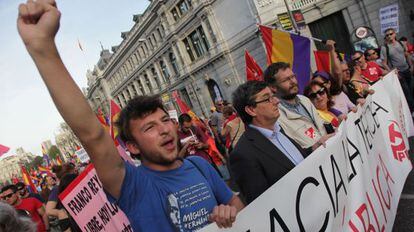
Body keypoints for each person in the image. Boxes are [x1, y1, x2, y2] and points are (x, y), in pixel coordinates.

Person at [17, 2, 243, 231]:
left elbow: (235, 202)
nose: (165, 129)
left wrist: (230, 212)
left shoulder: (198, 166)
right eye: (149, 128)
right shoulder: (133, 186)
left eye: (165, 120)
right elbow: (93, 135)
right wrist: (43, 48)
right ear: (132, 147)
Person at [230, 81, 310, 204]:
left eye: (273, 96)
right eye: (267, 99)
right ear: (251, 110)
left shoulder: (279, 129)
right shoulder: (243, 154)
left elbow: (294, 161)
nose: (276, 101)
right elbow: (263, 205)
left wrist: (315, 148)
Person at [263, 62, 333, 151]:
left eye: (293, 76)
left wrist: (338, 127)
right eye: (286, 80)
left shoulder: (304, 100)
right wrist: (312, 148)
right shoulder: (276, 117)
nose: (293, 82)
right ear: (273, 87)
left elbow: (319, 127)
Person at [381, 28, 414, 111]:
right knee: (407, 93)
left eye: (391, 34)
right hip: (399, 73)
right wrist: (392, 72)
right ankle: (412, 110)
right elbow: (384, 63)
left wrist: (411, 66)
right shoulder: (385, 48)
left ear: (395, 34)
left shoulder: (401, 43)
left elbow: (407, 55)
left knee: (412, 89)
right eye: (387, 35)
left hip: (407, 70)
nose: (389, 36)